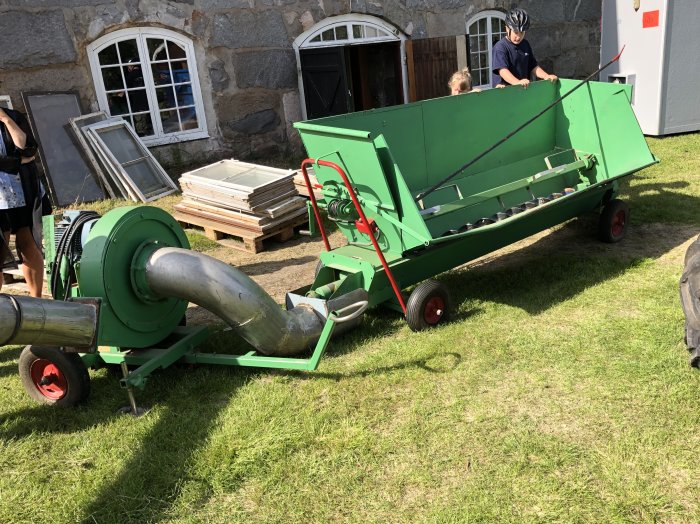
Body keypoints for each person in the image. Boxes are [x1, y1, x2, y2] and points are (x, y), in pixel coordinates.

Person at [0, 107, 50, 298]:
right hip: (1, 199)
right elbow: (23, 157)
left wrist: (6, 120)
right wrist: (17, 161)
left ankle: (36, 300)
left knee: (29, 246)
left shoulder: (12, 116)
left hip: (23, 191)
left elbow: (29, 149)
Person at [492, 8, 558, 88]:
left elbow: (533, 66)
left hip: (523, 90)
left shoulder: (525, 44)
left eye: (522, 32)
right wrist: (518, 82)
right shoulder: (500, 47)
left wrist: (546, 76)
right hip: (505, 93)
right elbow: (503, 71)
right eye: (515, 32)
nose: (518, 36)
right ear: (507, 29)